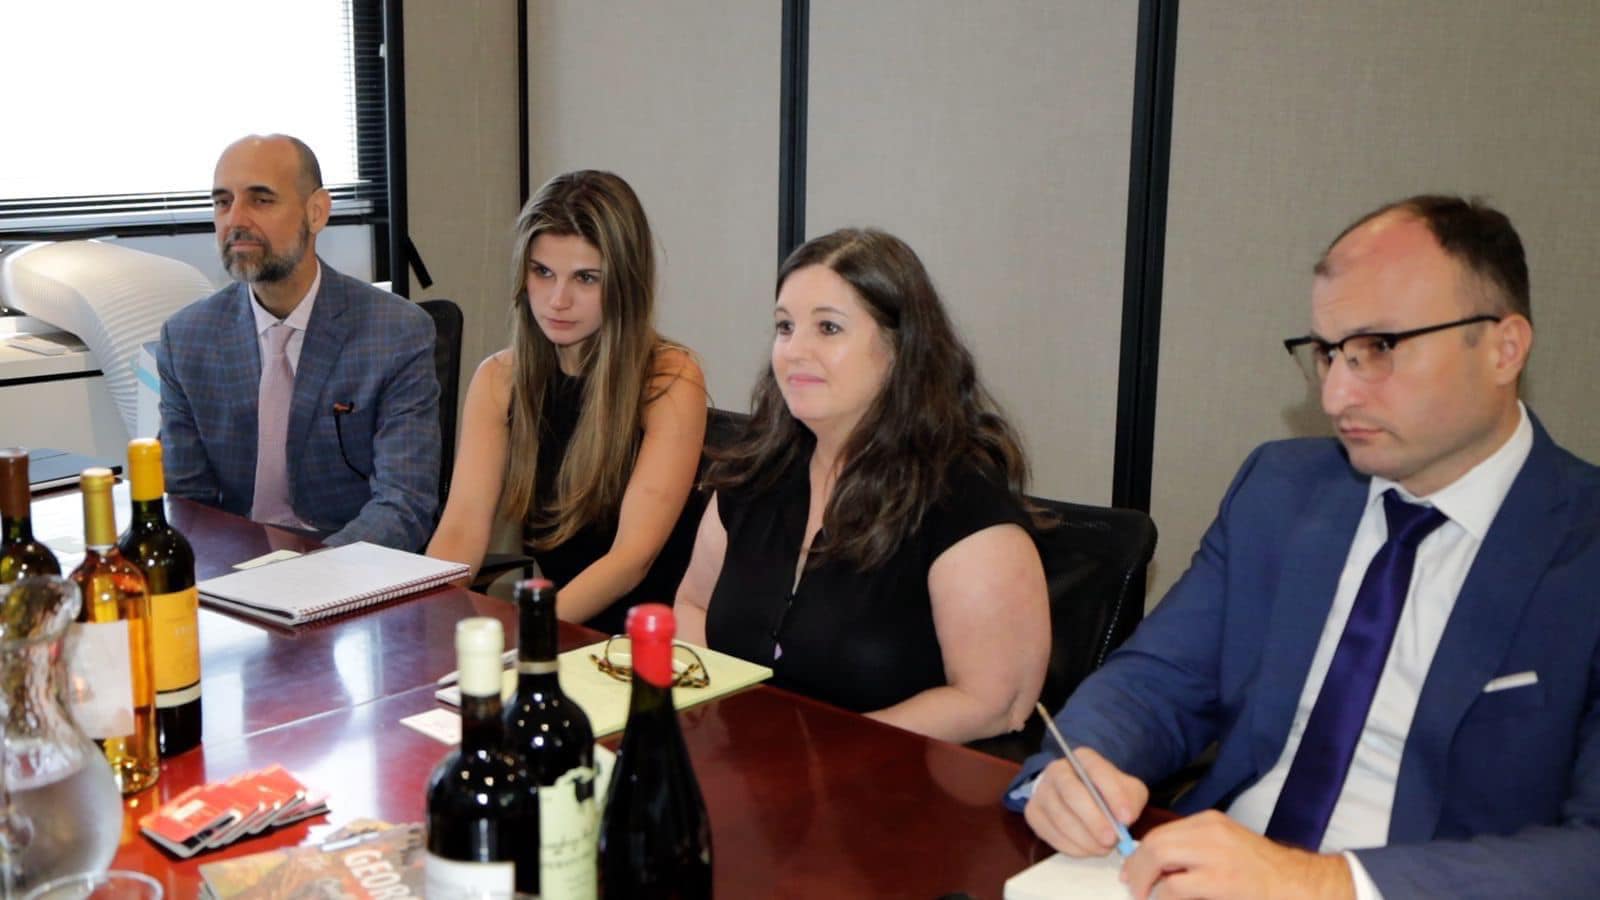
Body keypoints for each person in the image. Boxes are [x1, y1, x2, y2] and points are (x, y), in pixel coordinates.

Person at [1011, 196, 1600, 899]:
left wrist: (1320, 884)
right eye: (1326, 353)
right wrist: (1076, 768)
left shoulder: (1582, 541)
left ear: (1504, 349)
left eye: (1378, 348)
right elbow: (1158, 681)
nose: (1336, 394)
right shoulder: (1281, 490)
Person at [674, 228, 1050, 744]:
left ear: (900, 348)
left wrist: (825, 759)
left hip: (892, 777)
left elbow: (995, 703)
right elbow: (692, 606)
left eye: (828, 328)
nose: (794, 350)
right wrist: (713, 718)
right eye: (785, 327)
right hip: (745, 765)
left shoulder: (962, 502)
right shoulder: (754, 472)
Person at [426, 170, 707, 632]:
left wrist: (527, 634)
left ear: (625, 283)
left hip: (648, 640)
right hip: (559, 631)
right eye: (542, 272)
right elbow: (462, 527)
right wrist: (422, 617)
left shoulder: (670, 379)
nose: (557, 300)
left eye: (586, 278)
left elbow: (631, 559)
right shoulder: (499, 379)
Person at [159, 134, 440, 550]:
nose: (236, 220)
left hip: (348, 561)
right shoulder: (187, 339)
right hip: (237, 564)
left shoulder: (395, 332)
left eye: (261, 200)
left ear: (316, 212)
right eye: (223, 202)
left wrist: (310, 574)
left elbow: (404, 506)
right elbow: (185, 505)